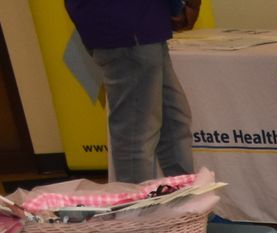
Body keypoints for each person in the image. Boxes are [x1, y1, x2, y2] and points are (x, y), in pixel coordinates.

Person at [65, 0, 198, 183]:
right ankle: (138, 209)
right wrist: (179, 7)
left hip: (140, 26)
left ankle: (187, 201)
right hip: (129, 27)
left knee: (174, 122)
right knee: (136, 137)